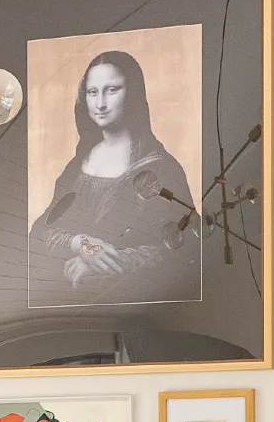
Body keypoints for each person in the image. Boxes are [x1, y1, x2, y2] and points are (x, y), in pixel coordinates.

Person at [30, 50, 199, 307]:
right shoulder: (76, 166)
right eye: (92, 92)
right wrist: (81, 245)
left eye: (111, 90)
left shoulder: (162, 168)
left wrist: (109, 263)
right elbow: (41, 231)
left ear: (132, 93)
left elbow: (181, 247)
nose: (100, 104)